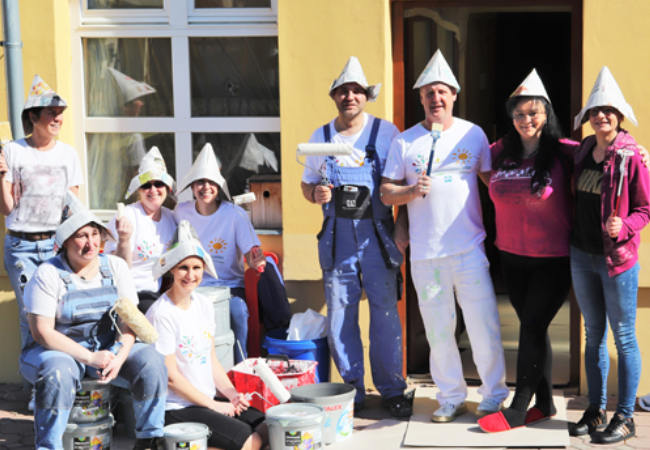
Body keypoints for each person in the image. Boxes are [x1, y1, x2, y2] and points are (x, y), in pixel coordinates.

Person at [381, 49, 508, 422]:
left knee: (484, 324)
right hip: (425, 253)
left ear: (454, 95)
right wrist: (410, 192)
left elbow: (493, 181)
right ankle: (451, 396)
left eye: (442, 92)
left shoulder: (474, 134)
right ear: (420, 99)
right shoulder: (405, 142)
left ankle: (493, 394)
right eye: (428, 93)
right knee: (438, 331)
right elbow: (387, 191)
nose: (436, 99)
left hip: (469, 247)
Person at [299, 56, 410, 417]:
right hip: (336, 238)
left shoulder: (387, 133)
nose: (350, 97)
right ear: (334, 96)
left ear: (366, 97)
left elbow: (401, 186)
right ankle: (352, 391)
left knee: (385, 315)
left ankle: (392, 390)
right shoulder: (322, 137)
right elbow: (307, 183)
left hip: (378, 235)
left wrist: (401, 232)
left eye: (357, 91)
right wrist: (315, 194)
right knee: (340, 316)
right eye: (343, 91)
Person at [20, 194, 167, 450]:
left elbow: (129, 321)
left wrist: (118, 357)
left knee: (152, 361)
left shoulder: (116, 267)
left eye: (95, 234)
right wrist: (89, 358)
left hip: (108, 349)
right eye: (81, 236)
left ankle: (149, 439)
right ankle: (48, 446)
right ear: (65, 242)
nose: (90, 243)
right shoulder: (48, 273)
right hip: (55, 352)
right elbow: (41, 332)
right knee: (58, 372)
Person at [476, 70, 576, 432]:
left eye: (533, 113)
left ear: (546, 114)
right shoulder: (499, 151)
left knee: (532, 328)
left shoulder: (567, 153)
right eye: (519, 113)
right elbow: (466, 163)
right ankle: (546, 403)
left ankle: (519, 407)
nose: (526, 120)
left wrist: (635, 149)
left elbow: (605, 158)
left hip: (553, 259)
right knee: (534, 327)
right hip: (512, 256)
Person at [567, 66, 650, 444]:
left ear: (618, 116)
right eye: (596, 110)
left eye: (609, 110)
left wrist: (626, 226)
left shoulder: (632, 157)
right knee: (592, 335)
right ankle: (596, 408)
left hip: (616, 261)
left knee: (625, 338)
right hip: (581, 256)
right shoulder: (583, 150)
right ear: (587, 118)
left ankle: (626, 416)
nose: (602, 116)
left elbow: (645, 209)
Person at [147, 220, 268, 450]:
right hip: (177, 408)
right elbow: (171, 378)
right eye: (183, 267)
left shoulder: (204, 304)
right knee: (250, 440)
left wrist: (232, 395)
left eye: (196, 267)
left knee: (267, 424)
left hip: (206, 400)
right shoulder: (161, 314)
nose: (190, 275)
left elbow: (211, 361)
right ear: (172, 268)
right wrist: (214, 405)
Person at [0, 75, 84, 354]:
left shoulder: (68, 154)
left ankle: (56, 372)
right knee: (30, 314)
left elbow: (73, 207)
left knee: (60, 312)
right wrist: (1, 175)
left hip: (56, 245)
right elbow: (6, 208)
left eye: (60, 114)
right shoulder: (12, 151)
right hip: (20, 246)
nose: (58, 119)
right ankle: (34, 376)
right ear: (33, 116)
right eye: (52, 113)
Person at [174, 143, 265, 363]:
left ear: (219, 185)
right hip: (192, 285)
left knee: (237, 313)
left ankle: (240, 368)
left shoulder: (235, 215)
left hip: (230, 287)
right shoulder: (180, 211)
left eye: (211, 182)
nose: (205, 187)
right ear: (192, 186)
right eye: (199, 182)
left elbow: (253, 253)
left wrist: (256, 261)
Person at [105, 146, 177, 314]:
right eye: (146, 185)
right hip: (125, 294)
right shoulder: (127, 216)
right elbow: (115, 267)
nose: (153, 190)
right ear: (139, 190)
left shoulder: (171, 218)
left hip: (154, 294)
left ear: (167, 187)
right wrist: (123, 240)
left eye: (159, 184)